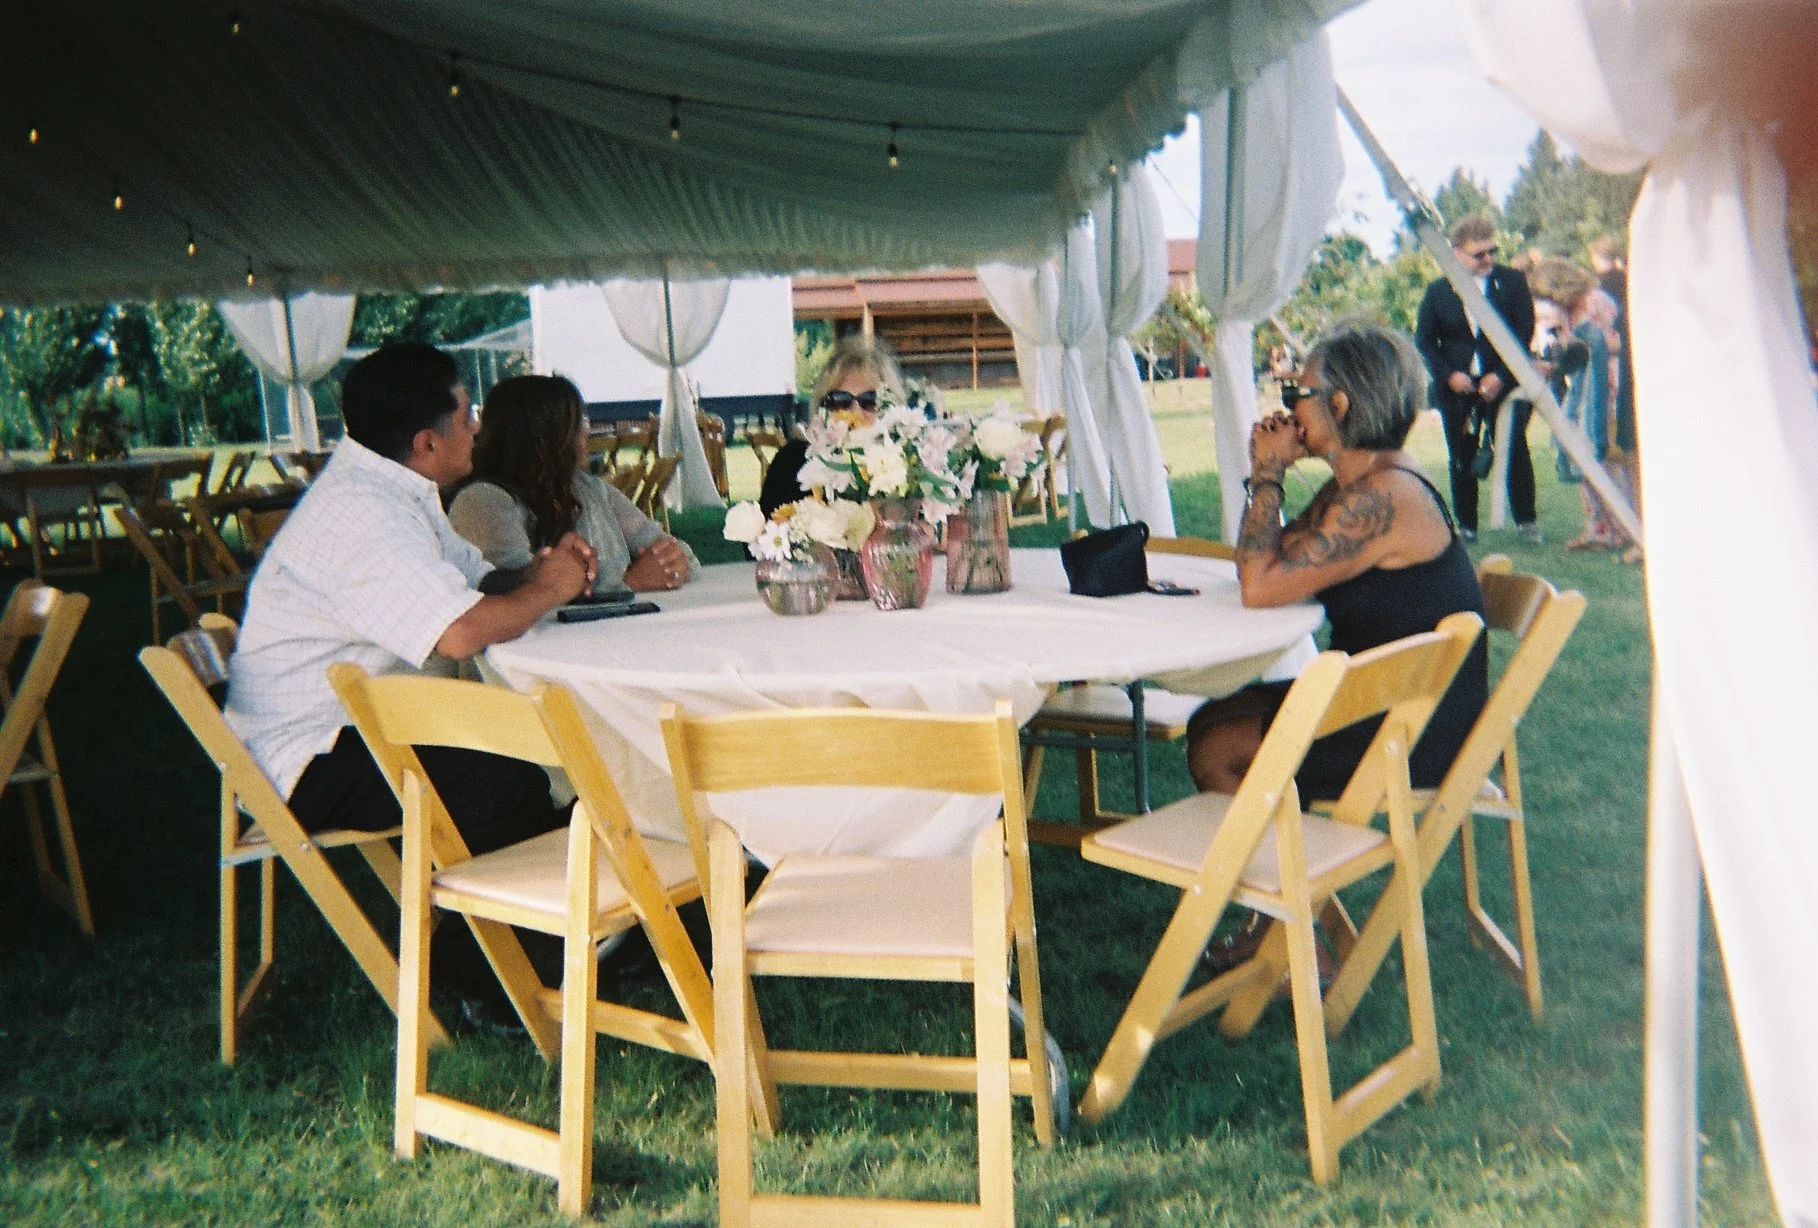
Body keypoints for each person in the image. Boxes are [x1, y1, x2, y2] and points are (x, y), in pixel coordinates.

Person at [224, 343, 597, 1019]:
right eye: (467, 415)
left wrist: (540, 572)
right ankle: (471, 968)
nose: (478, 428)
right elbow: (459, 633)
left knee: (519, 761)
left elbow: (476, 583)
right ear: (427, 442)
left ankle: (561, 921)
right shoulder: (364, 516)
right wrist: (551, 591)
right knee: (505, 778)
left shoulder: (390, 488)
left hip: (332, 733)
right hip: (305, 761)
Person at [1187, 321, 1490, 970]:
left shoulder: (1383, 497)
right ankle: (1282, 919)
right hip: (1391, 702)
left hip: (1414, 729)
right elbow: (1271, 561)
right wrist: (1270, 480)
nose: (1288, 407)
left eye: (1298, 393)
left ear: (1341, 404)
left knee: (1218, 746)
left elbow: (1259, 585)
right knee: (1210, 719)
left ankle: (1293, 942)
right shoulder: (1361, 485)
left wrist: (1267, 473)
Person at [448, 375, 698, 595]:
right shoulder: (483, 502)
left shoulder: (589, 489)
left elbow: (677, 553)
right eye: (577, 422)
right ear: (544, 435)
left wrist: (672, 561)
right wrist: (628, 582)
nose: (586, 431)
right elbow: (518, 589)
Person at [1415, 214, 1539, 543]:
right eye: (1479, 254)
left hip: (1503, 384)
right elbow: (1424, 341)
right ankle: (1467, 525)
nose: (1488, 259)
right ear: (1457, 254)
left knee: (1514, 449)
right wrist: (1449, 375)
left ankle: (1527, 521)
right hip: (1459, 388)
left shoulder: (1512, 282)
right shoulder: (1438, 291)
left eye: (1492, 251)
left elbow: (1524, 332)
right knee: (1461, 455)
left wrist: (1501, 375)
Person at [1532, 258, 1631, 554]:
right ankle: (1598, 528)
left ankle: (1625, 526)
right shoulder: (1564, 313)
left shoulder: (1598, 301)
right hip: (1581, 386)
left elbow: (1617, 342)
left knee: (1609, 458)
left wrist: (1593, 349)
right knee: (1579, 454)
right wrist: (1556, 365)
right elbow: (1574, 353)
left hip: (1607, 385)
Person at [758, 335, 906, 516]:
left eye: (870, 400)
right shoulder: (790, 463)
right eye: (840, 401)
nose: (856, 412)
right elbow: (766, 528)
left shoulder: (908, 468)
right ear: (822, 407)